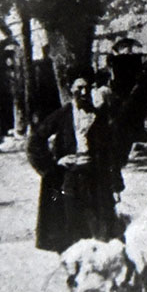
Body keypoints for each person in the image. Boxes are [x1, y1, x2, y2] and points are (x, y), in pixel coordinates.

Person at [26, 74, 123, 253]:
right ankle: (73, 268)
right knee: (69, 221)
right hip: (69, 177)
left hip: (94, 177)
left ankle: (95, 268)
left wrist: (116, 184)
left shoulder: (98, 117)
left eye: (87, 88)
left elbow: (110, 152)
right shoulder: (62, 115)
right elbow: (35, 140)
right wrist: (54, 164)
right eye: (79, 88)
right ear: (71, 89)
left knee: (98, 222)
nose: (84, 92)